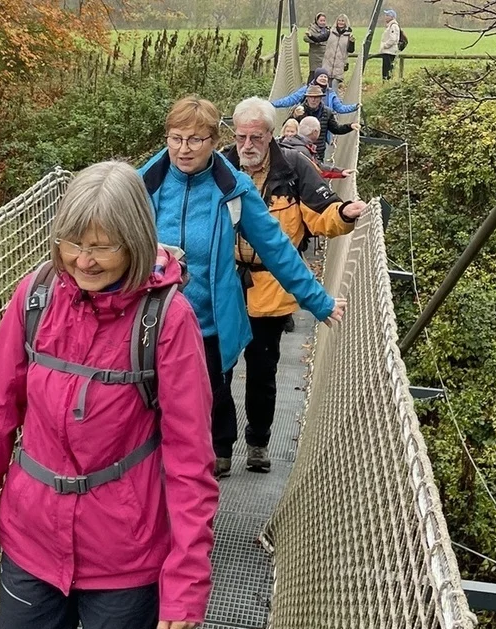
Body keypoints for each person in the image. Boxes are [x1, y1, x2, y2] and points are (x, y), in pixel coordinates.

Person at [0, 161, 218, 629]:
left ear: (134, 242)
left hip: (126, 554)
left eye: (103, 246)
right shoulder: (35, 299)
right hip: (32, 542)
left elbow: (189, 458)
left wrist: (187, 575)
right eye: (73, 242)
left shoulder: (167, 320)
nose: (83, 260)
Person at [139, 96, 346, 479]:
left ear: (215, 141)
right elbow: (112, 232)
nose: (184, 149)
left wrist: (319, 301)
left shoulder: (232, 187)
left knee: (209, 399)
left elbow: (276, 247)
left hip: (209, 321)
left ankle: (210, 464)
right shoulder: (147, 180)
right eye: (176, 138)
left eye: (196, 140)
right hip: (151, 321)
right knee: (150, 405)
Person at [223, 98, 365, 472]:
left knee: (262, 370)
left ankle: (258, 442)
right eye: (241, 137)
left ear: (271, 134)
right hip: (223, 285)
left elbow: (322, 214)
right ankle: (220, 447)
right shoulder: (219, 165)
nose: (247, 145)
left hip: (271, 287)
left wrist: (344, 215)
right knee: (216, 371)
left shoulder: (293, 167)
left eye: (256, 136)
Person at [293, 85, 360, 162]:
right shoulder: (299, 111)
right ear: (307, 98)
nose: (313, 100)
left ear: (321, 98)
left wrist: (350, 126)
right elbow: (287, 127)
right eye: (311, 97)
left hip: (318, 152)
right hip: (300, 150)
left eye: (317, 97)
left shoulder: (327, 112)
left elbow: (336, 129)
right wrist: (294, 116)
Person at [280, 117, 353, 179]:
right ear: (315, 132)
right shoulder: (303, 151)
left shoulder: (289, 143)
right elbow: (318, 170)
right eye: (319, 130)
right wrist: (340, 172)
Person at [272, 68, 359, 115]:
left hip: (324, 126)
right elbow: (291, 100)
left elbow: (340, 108)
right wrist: (273, 104)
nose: (323, 78)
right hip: (306, 121)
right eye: (321, 76)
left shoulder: (330, 93)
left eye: (325, 77)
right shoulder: (307, 89)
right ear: (316, 78)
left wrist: (355, 107)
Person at [321, 14, 354, 91]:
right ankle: (325, 102)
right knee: (326, 86)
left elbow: (351, 50)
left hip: (339, 64)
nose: (341, 22)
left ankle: (334, 102)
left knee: (334, 86)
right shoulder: (330, 32)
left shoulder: (349, 35)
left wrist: (352, 42)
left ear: (346, 22)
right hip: (328, 63)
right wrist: (310, 36)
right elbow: (320, 38)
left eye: (343, 21)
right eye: (339, 20)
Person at [380, 9, 401, 81]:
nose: (385, 17)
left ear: (392, 17)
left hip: (389, 51)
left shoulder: (393, 26)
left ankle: (387, 83)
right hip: (388, 51)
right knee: (386, 70)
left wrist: (385, 46)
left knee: (387, 70)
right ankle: (386, 82)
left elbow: (393, 39)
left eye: (387, 15)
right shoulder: (390, 26)